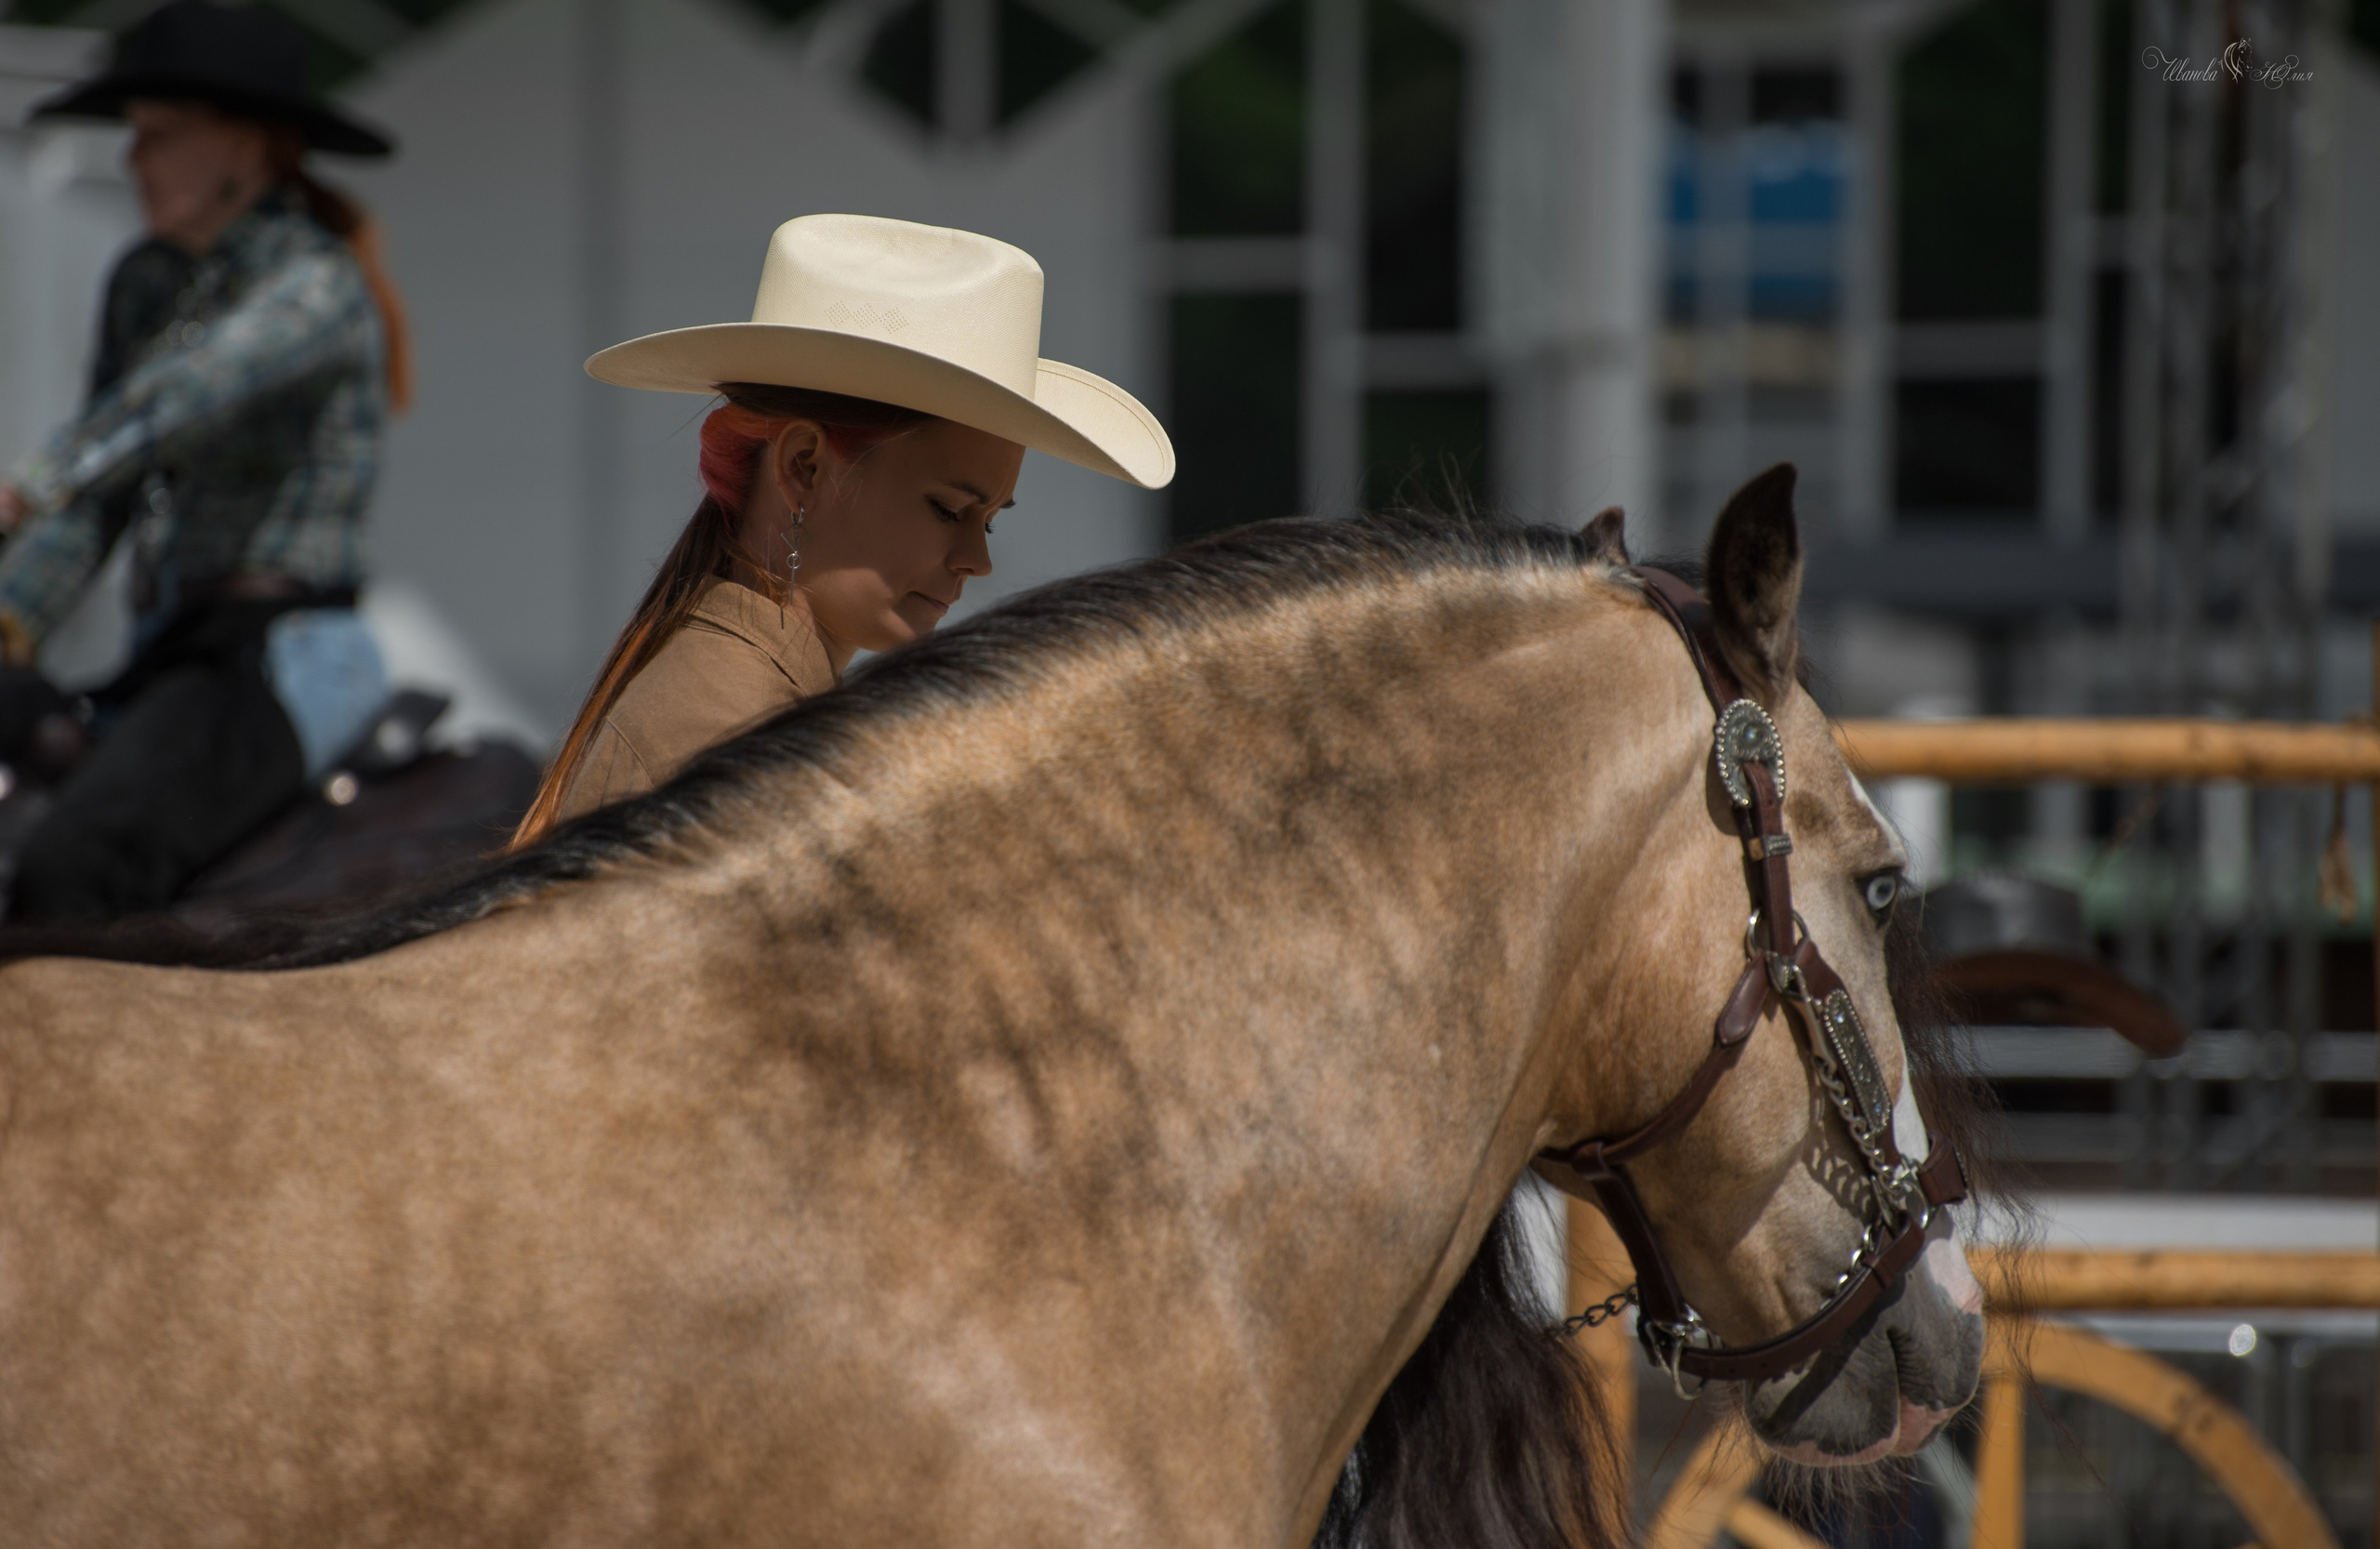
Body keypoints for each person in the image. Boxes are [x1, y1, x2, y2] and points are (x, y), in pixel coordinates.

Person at [512, 212, 1175, 842]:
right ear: (802, 466)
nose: (978, 560)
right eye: (948, 509)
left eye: (991, 522)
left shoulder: (749, 703)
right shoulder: (735, 733)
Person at [0, 0, 406, 922]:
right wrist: (11, 618)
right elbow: (103, 497)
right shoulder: (145, 279)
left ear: (243, 146)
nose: (132, 160)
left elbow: (176, 400)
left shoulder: (316, 284)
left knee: (81, 858)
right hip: (172, 649)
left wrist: (24, 487)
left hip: (287, 652)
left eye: (158, 136)